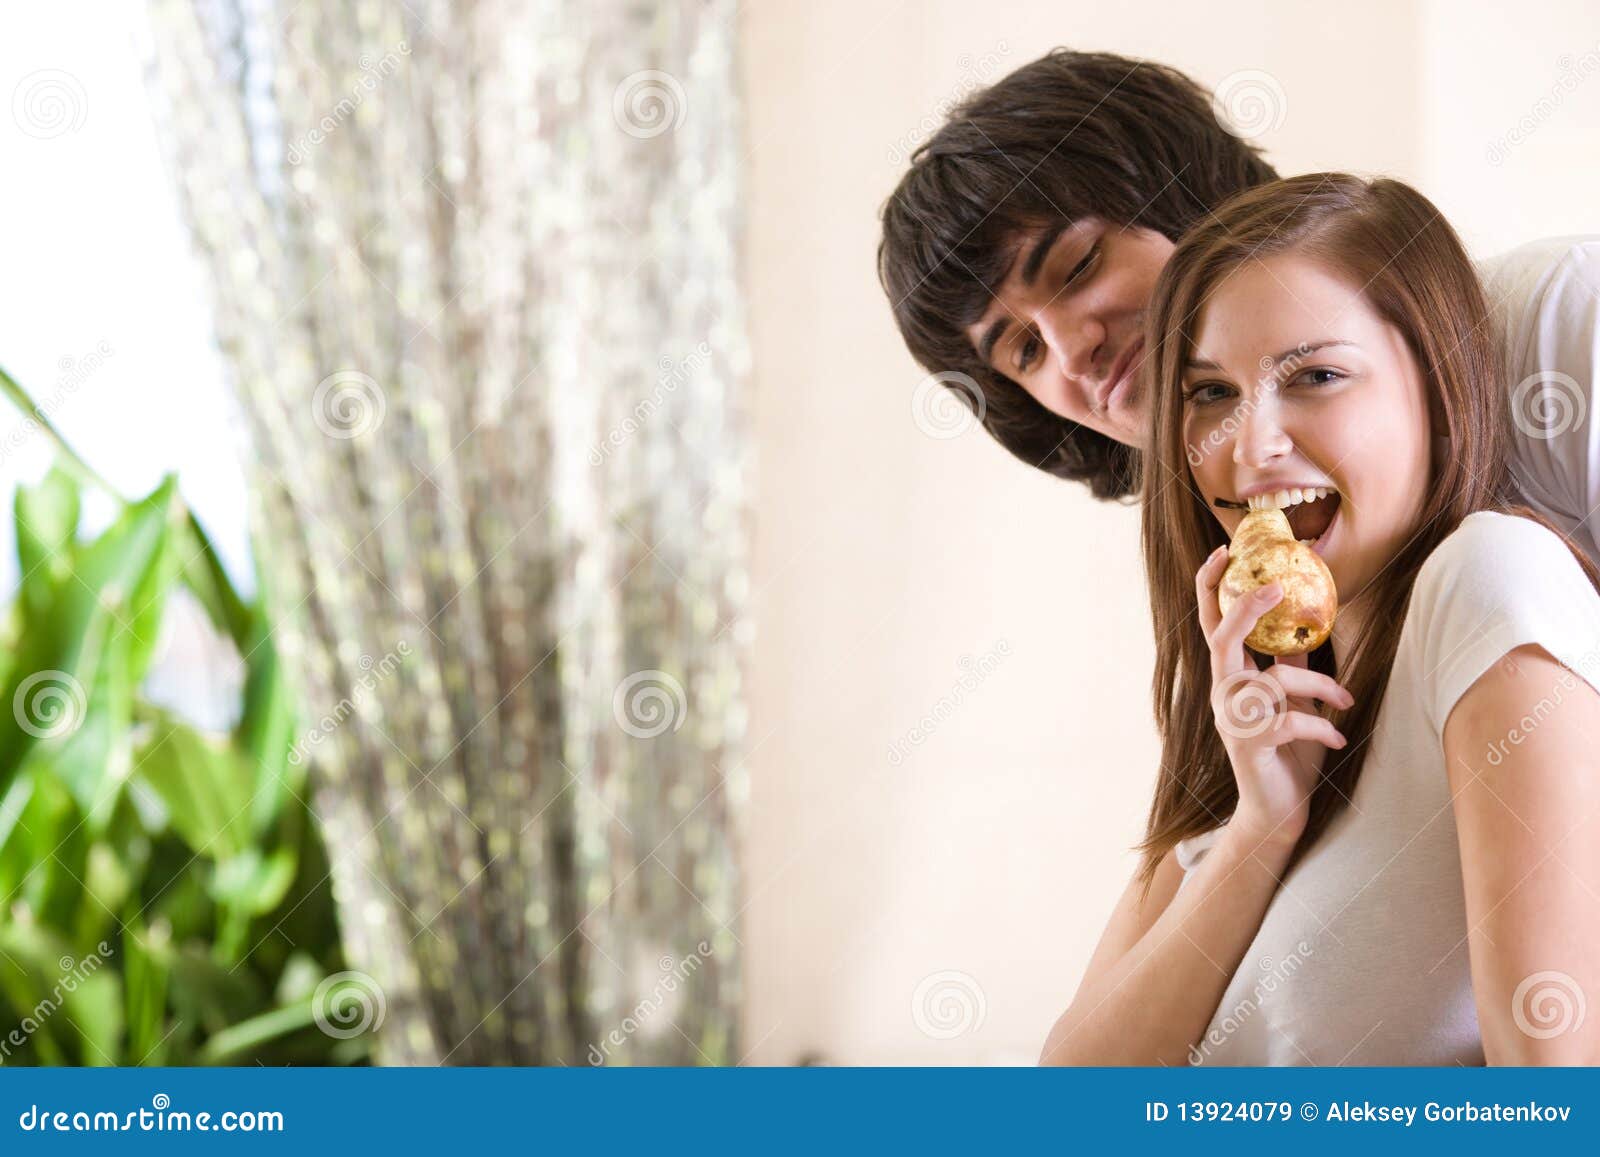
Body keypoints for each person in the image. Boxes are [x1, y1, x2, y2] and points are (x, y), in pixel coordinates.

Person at [1039, 173, 1600, 1066]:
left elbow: (1556, 1107)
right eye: (1211, 394)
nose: (1250, 446)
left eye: (1317, 375)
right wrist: (1263, 824)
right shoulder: (1251, 726)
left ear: (1440, 384)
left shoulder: (1491, 580)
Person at [877, 48, 1600, 561]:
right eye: (1023, 350)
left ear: (1189, 196)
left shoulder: (1558, 323)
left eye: (1076, 266)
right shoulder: (1234, 562)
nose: (1070, 351)